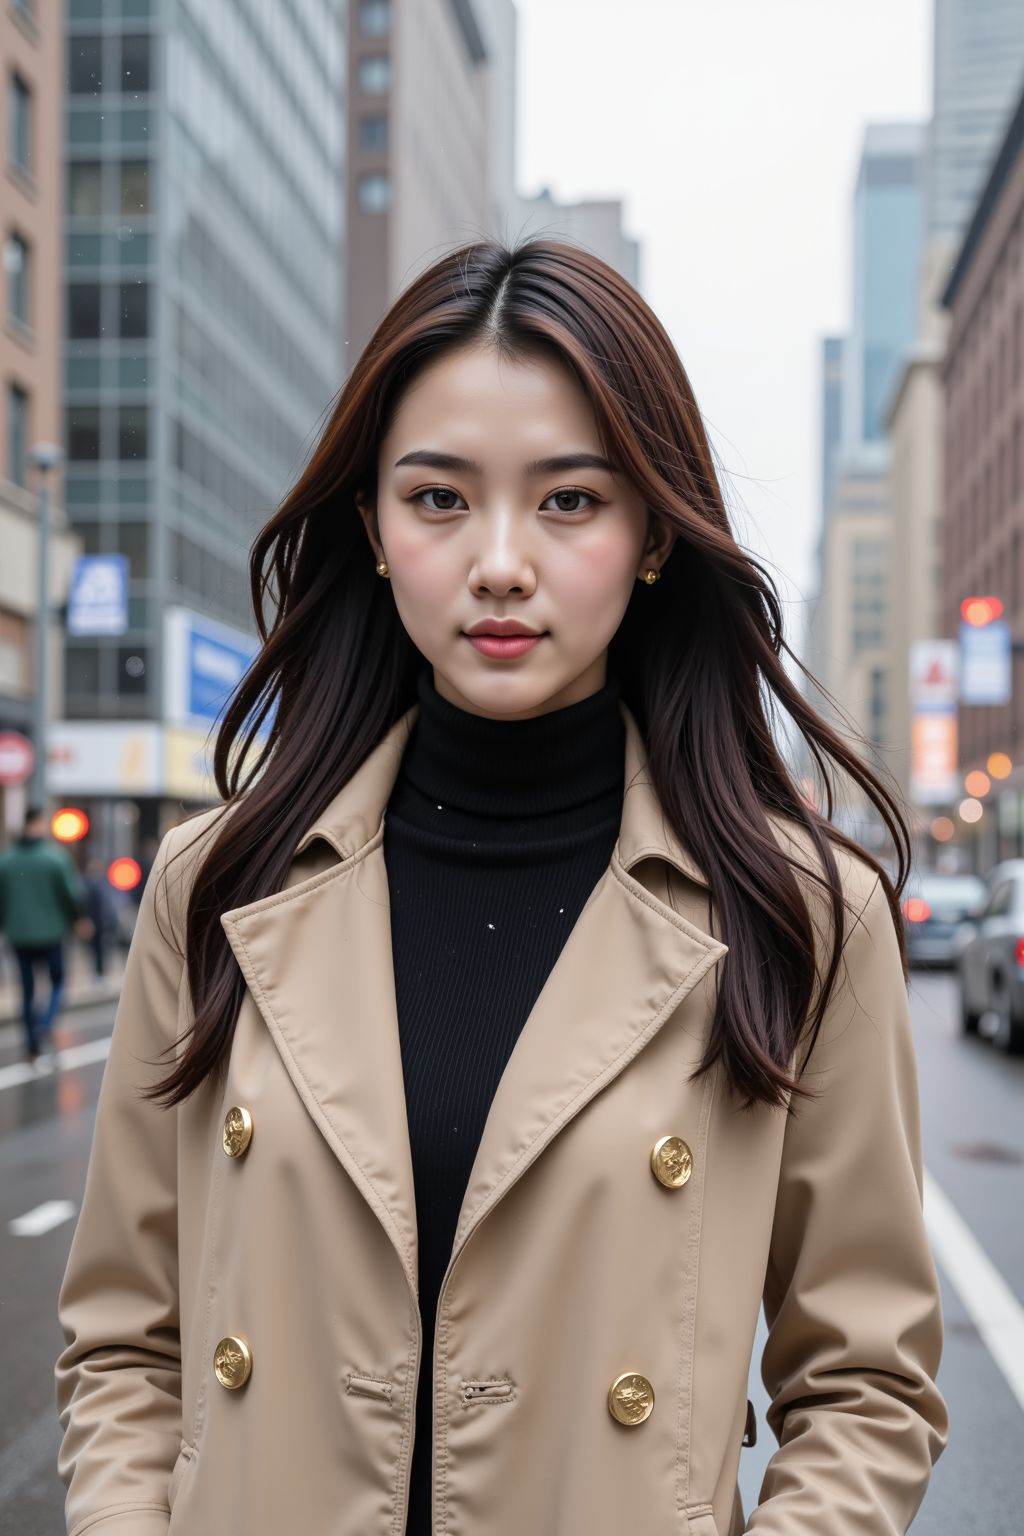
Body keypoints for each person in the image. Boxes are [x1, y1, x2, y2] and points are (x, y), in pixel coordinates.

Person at [53, 238, 949, 1536]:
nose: (500, 561)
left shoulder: (797, 913)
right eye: (438, 498)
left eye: (570, 500)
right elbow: (124, 1342)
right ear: (372, 528)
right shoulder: (220, 885)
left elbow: (864, 1383)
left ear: (653, 533)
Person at [0, 805, 92, 1072]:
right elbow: (71, 894)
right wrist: (79, 920)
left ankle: (32, 1045)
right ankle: (45, 1025)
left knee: (26, 991)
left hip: (18, 934)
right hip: (51, 933)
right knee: (57, 983)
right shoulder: (55, 858)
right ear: (40, 824)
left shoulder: (7, 861)